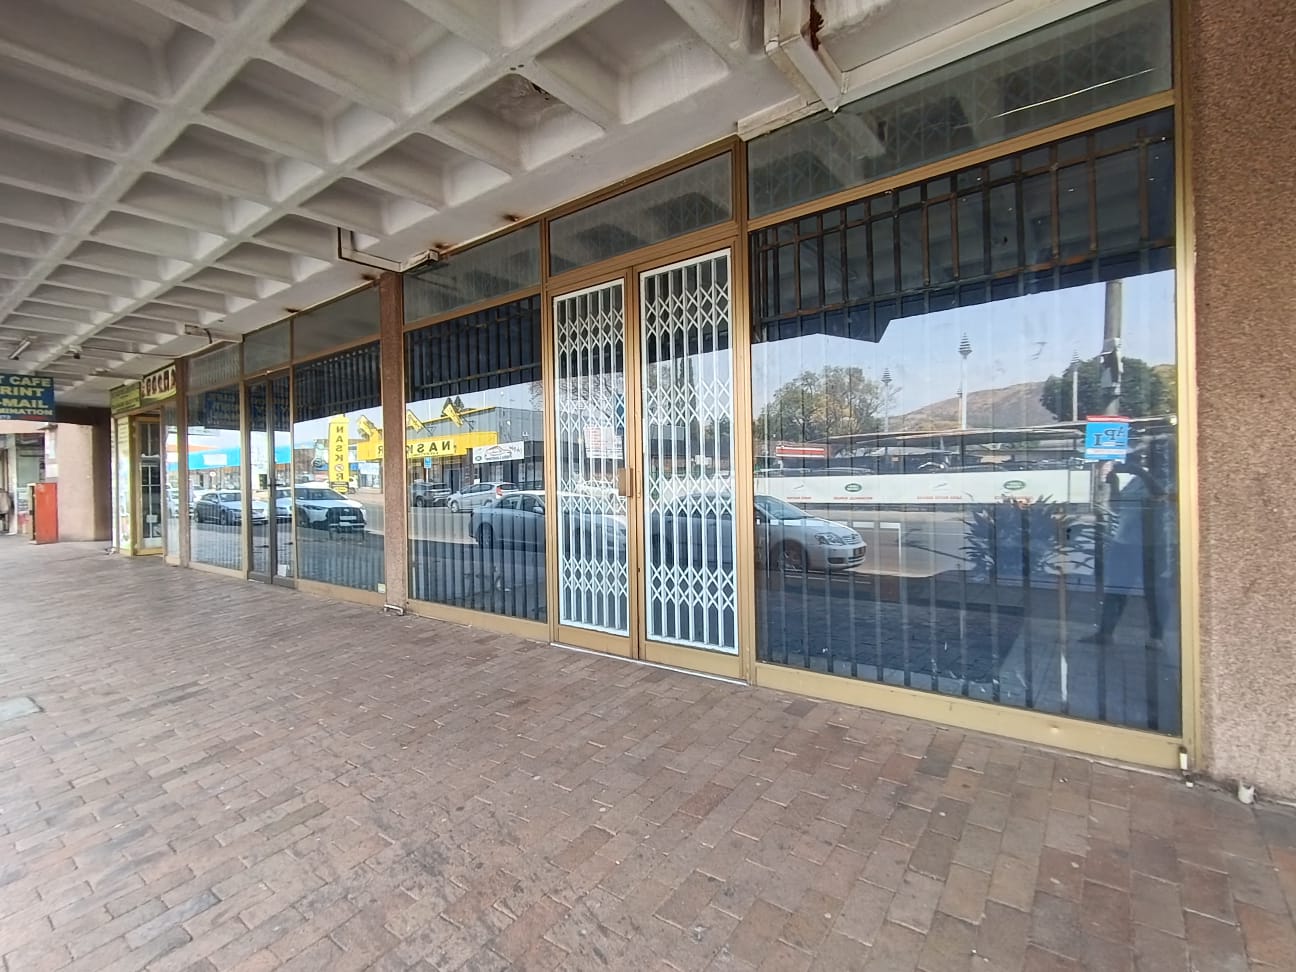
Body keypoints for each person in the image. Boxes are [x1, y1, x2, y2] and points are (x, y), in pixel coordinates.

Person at [1082, 443, 1167, 646]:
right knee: (1116, 588)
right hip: (1124, 541)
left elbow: (1161, 496)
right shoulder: (1135, 481)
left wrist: (1141, 473)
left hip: (1151, 543)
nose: (1140, 460)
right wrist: (1114, 485)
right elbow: (1118, 508)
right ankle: (1106, 632)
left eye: (1143, 457)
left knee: (1152, 591)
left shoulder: (1168, 478)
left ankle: (1156, 636)